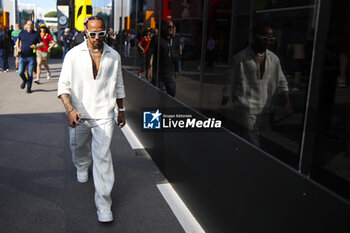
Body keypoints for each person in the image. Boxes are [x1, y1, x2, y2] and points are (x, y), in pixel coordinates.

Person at [57, 16, 126, 223]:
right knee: (77, 147)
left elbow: (119, 85)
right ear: (85, 32)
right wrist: (69, 110)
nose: (97, 37)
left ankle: (104, 205)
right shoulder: (72, 55)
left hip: (104, 114)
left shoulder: (114, 56)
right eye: (93, 33)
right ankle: (81, 164)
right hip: (79, 114)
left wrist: (121, 110)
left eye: (101, 33)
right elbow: (63, 86)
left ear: (106, 32)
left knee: (103, 159)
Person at [222, 25, 293, 146]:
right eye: (264, 39)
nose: (268, 43)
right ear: (255, 37)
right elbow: (230, 83)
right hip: (246, 107)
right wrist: (222, 106)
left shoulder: (274, 59)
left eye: (271, 40)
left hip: (266, 108)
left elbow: (282, 82)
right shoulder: (240, 58)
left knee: (256, 140)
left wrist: (287, 102)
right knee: (253, 143)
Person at [147, 20, 180, 96]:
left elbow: (177, 56)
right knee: (156, 96)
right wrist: (148, 68)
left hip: (170, 74)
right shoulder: (156, 39)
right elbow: (149, 53)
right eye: (169, 27)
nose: (171, 29)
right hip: (158, 73)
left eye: (173, 27)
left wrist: (177, 69)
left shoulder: (175, 40)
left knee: (171, 95)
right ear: (163, 28)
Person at [16, 20, 44, 93]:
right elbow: (18, 41)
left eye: (31, 25)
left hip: (31, 57)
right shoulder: (22, 32)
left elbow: (42, 44)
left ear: (33, 25)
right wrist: (18, 48)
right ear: (26, 25)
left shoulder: (36, 34)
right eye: (28, 24)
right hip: (22, 56)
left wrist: (36, 46)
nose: (30, 26)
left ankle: (29, 88)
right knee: (20, 72)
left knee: (30, 74)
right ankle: (24, 80)